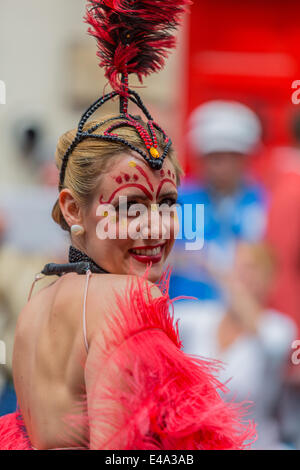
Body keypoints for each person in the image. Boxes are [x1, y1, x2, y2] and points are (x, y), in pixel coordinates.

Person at [0, 0, 255, 450]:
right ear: (73, 210)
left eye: (169, 202)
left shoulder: (36, 305)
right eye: (131, 205)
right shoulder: (128, 298)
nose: (155, 226)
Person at [173, 242, 296, 449]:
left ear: (268, 280)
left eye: (249, 269)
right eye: (236, 267)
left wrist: (221, 277)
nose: (239, 275)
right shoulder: (202, 317)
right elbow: (152, 311)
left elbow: (274, 345)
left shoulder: (278, 328)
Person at [169, 100, 266, 302]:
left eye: (231, 157)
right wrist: (199, 259)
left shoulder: (262, 199)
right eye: (214, 157)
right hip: (185, 308)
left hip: (242, 313)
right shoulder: (178, 198)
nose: (222, 167)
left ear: (245, 158)